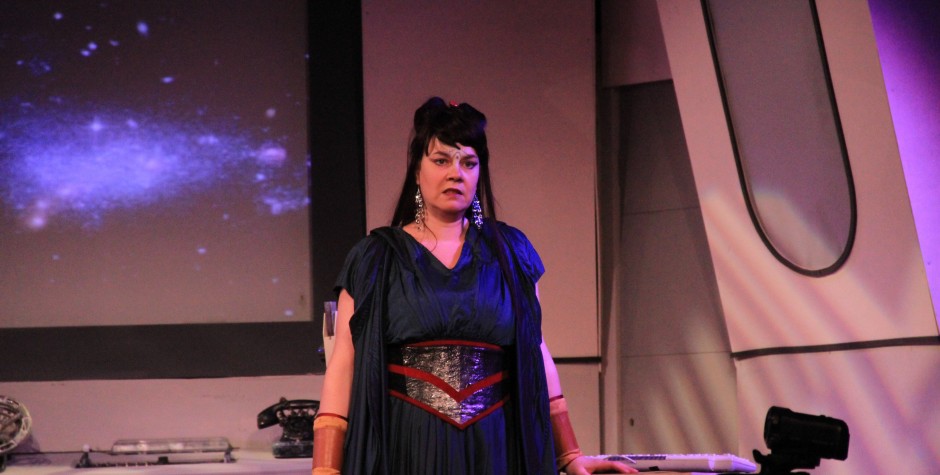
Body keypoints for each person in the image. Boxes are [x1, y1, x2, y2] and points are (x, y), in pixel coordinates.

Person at [312, 97, 634, 475]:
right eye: (441, 160)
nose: (456, 173)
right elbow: (344, 364)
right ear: (417, 170)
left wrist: (571, 455)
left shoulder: (511, 254)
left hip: (495, 447)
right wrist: (325, 469)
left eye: (468, 162)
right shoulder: (375, 258)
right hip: (407, 446)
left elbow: (536, 354)